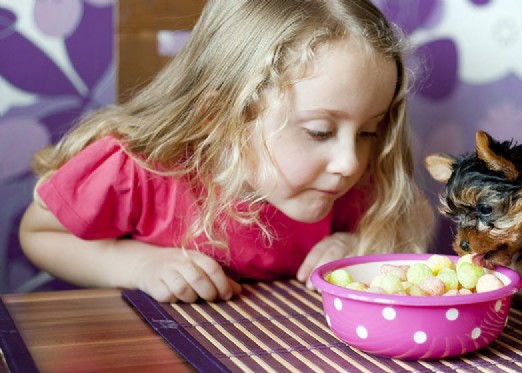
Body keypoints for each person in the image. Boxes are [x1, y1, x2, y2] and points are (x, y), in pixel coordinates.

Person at [18, 0, 434, 303]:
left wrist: (359, 246)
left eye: (368, 132)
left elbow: (413, 217)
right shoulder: (139, 167)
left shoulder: (340, 184)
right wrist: (139, 266)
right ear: (221, 116)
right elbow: (38, 233)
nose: (350, 162)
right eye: (320, 131)